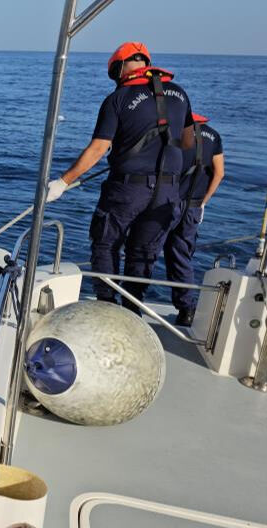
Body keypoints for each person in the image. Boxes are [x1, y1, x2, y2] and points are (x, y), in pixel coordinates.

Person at [46, 42, 195, 313]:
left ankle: (106, 306)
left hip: (128, 188)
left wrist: (63, 182)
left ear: (119, 68)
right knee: (143, 252)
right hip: (168, 191)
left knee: (106, 242)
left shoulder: (118, 99)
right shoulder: (180, 93)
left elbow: (98, 148)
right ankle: (132, 310)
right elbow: (188, 142)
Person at [164, 113, 224, 326]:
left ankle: (132, 302)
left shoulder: (178, 135)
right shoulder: (214, 136)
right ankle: (186, 309)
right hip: (195, 206)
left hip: (170, 204)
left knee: (146, 250)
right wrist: (204, 201)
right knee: (182, 257)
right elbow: (219, 173)